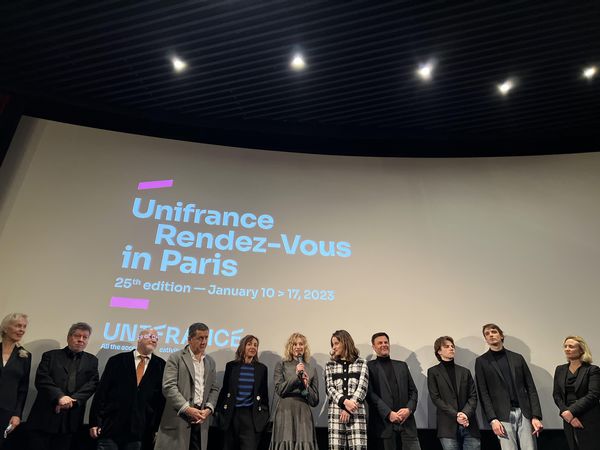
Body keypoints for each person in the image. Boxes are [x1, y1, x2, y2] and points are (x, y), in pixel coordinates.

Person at [90, 328, 166, 450]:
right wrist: (95, 422)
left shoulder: (161, 365)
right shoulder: (117, 361)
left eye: (156, 338)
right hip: (110, 427)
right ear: (139, 338)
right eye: (150, 336)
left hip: (140, 431)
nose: (154, 340)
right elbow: (101, 392)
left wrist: (156, 428)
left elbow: (160, 401)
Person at [27, 322, 99, 450]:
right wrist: (60, 397)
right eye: (77, 336)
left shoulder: (92, 360)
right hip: (45, 417)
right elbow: (42, 379)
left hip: (71, 420)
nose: (81, 340)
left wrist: (72, 400)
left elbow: (92, 384)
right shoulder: (50, 355)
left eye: (85, 337)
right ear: (69, 337)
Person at [475, 323, 542, 450]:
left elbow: (531, 388)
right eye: (487, 334)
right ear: (485, 339)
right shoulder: (481, 362)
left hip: (524, 413)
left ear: (501, 335)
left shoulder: (517, 358)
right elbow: (483, 393)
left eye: (493, 332)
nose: (491, 335)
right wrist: (492, 419)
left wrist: (536, 416)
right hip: (501, 416)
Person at [155, 322, 219, 450]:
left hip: (201, 420)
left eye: (206, 338)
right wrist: (187, 409)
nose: (204, 342)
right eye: (200, 338)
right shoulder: (176, 357)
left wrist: (208, 409)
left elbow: (214, 389)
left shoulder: (210, 362)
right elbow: (168, 387)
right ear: (189, 339)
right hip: (179, 418)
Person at [368, 332, 421, 450]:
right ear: (373, 347)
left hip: (407, 424)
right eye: (380, 343)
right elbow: (370, 394)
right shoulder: (368, 367)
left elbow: (413, 392)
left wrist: (409, 409)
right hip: (384, 426)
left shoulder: (402, 366)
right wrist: (388, 413)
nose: (384, 345)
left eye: (386, 342)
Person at [216, 335, 269, 450]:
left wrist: (264, 416)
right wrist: (218, 412)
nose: (253, 347)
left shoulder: (262, 369)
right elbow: (225, 390)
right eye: (249, 344)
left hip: (250, 416)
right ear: (242, 346)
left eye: (255, 345)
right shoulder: (231, 366)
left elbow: (264, 395)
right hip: (231, 415)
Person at [427, 336, 480, 450]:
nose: (451, 348)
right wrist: (456, 415)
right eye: (447, 346)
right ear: (439, 351)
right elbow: (435, 398)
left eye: (452, 346)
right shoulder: (433, 372)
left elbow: (473, 396)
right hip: (447, 426)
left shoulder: (465, 371)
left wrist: (465, 414)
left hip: (469, 424)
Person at [269, 332, 319, 450]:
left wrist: (306, 386)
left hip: (303, 412)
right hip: (285, 411)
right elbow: (280, 390)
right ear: (290, 347)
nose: (298, 346)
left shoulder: (311, 369)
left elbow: (315, 400)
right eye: (294, 344)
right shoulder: (281, 364)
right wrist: (296, 377)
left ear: (305, 347)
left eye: (301, 344)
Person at [552, 335, 600, 450]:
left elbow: (593, 394)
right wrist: (567, 414)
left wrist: (571, 412)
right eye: (565, 346)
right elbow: (557, 395)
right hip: (568, 419)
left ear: (581, 349)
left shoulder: (592, 370)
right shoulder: (560, 369)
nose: (567, 349)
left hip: (588, 416)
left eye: (571, 346)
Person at [325, 330, 368, 450]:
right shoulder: (330, 365)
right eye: (332, 344)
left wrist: (349, 408)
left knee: (359, 447)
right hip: (335, 413)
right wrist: (345, 403)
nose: (334, 347)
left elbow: (362, 388)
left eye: (336, 343)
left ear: (345, 342)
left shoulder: (361, 363)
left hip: (356, 411)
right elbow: (329, 389)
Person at [0, 313, 31, 449]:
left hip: (6, 412)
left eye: (24, 326)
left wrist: (17, 414)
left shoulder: (25, 355)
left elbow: (23, 389)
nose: (22, 330)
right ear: (5, 328)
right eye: (18, 326)